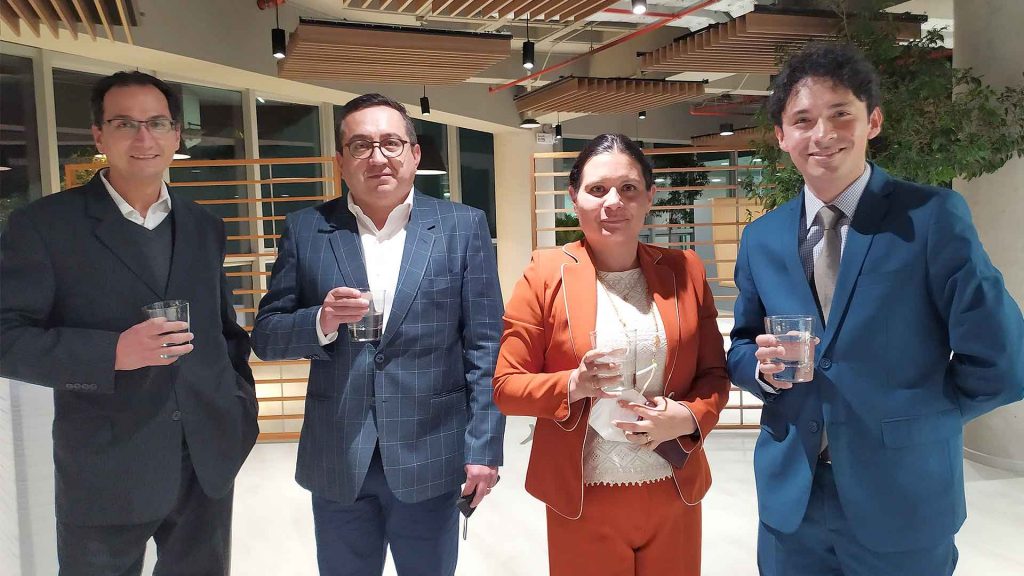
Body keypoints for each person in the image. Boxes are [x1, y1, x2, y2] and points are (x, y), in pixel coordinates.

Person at [727, 43, 1024, 576]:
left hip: (903, 499)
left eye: (841, 113)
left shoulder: (931, 217)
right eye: (802, 120)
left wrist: (926, 418)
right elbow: (743, 343)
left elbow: (1003, 359)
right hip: (792, 505)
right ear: (781, 136)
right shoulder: (762, 238)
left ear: (874, 121)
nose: (822, 134)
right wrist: (761, 369)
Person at [0, 71, 258, 575]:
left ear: (176, 135)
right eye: (125, 124)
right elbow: (5, 335)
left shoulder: (204, 225)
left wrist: (238, 409)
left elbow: (224, 332)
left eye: (157, 123)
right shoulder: (45, 226)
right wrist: (110, 354)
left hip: (205, 463)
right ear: (99, 136)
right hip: (105, 467)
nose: (144, 138)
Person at [251, 93, 505, 576]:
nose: (378, 157)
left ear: (415, 153)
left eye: (391, 143)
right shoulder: (307, 229)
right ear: (340, 160)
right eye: (361, 145)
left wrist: (484, 449)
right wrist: (321, 321)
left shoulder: (462, 226)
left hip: (431, 452)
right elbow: (266, 336)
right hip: (339, 454)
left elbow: (485, 346)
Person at [493, 133, 730, 576]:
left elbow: (715, 373)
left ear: (650, 197)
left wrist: (688, 417)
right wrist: (573, 383)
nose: (613, 203)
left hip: (673, 487)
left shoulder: (685, 270)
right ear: (574, 197)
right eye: (598, 189)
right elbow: (507, 387)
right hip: (582, 494)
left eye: (628, 188)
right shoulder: (544, 274)